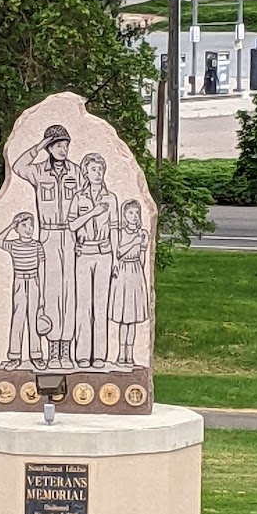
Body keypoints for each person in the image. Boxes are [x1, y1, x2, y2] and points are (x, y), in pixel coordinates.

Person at [12, 124, 83, 370]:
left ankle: (67, 350)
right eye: (58, 145)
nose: (63, 150)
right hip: (49, 235)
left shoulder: (77, 171)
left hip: (71, 235)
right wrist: (41, 145)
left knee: (70, 294)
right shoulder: (39, 172)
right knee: (52, 293)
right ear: (50, 148)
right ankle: (53, 349)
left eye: (65, 145)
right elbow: (17, 166)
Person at [67, 153, 118, 369]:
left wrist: (116, 258)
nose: (98, 174)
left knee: (100, 305)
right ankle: (81, 353)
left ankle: (99, 354)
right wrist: (92, 213)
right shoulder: (79, 198)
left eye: (101, 169)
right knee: (83, 305)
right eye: (94, 169)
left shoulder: (111, 198)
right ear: (85, 172)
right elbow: (72, 225)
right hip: (84, 253)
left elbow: (114, 229)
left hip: (104, 252)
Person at [0, 212, 46, 371]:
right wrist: (11, 225)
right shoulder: (14, 244)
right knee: (18, 316)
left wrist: (42, 292)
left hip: (34, 280)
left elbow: (41, 268)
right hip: (20, 280)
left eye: (31, 225)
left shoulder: (37, 245)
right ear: (17, 228)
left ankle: (36, 355)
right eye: (24, 225)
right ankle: (14, 356)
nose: (28, 229)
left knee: (33, 318)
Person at [108, 199, 149, 366]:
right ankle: (120, 352)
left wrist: (142, 270)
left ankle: (130, 353)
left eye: (136, 213)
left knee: (132, 318)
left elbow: (143, 255)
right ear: (124, 215)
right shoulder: (119, 233)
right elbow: (118, 252)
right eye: (130, 213)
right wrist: (134, 242)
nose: (134, 216)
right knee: (123, 317)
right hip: (123, 271)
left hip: (135, 271)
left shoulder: (142, 233)